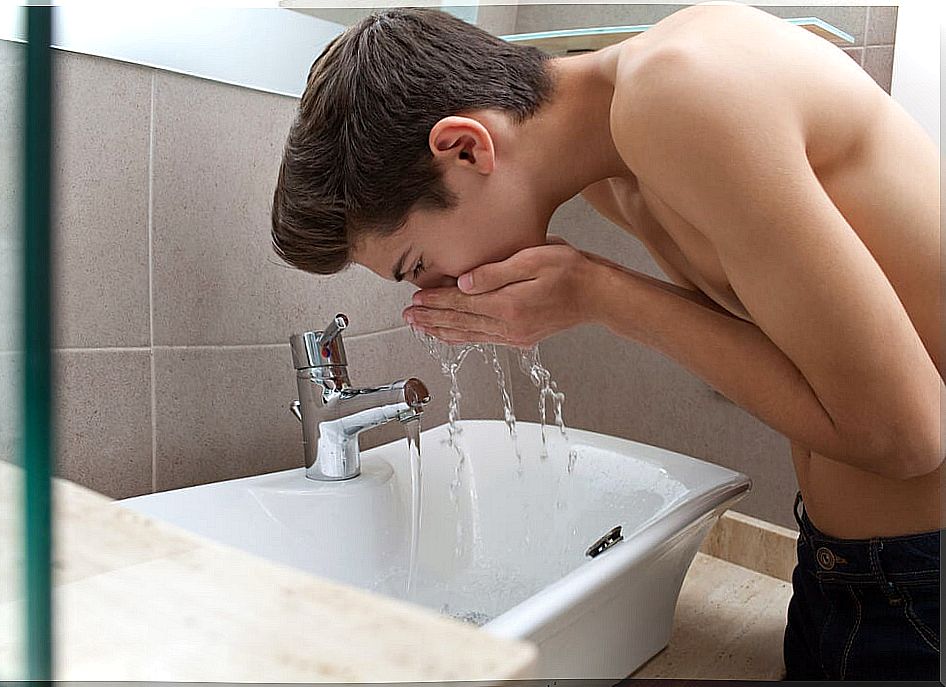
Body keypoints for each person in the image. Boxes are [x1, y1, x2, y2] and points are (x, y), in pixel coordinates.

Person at [270, 3, 942, 679]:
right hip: (849, 568)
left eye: (416, 264)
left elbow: (906, 435)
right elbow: (810, 365)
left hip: (924, 582)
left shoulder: (678, 89)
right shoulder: (617, 172)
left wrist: (602, 294)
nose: (433, 289)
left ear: (467, 147)